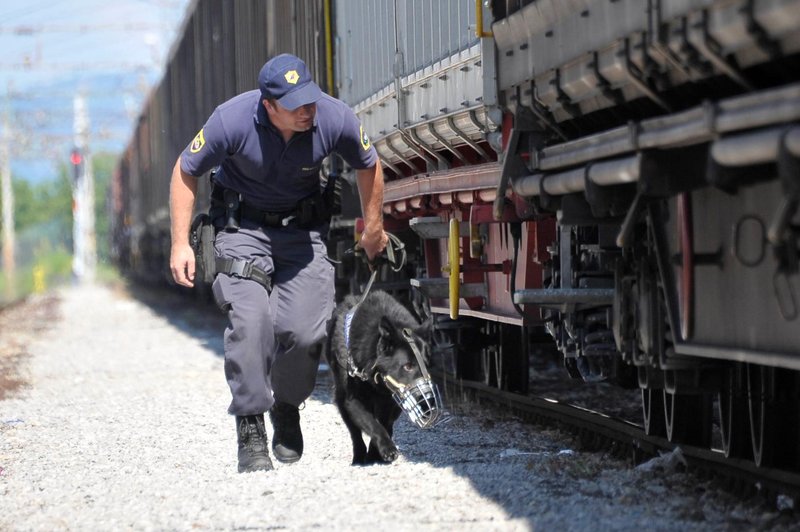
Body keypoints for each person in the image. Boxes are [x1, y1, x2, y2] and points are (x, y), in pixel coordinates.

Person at [169, 53, 388, 473]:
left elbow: (368, 162)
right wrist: (180, 242)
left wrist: (373, 228)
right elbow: (185, 169)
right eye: (296, 105)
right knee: (251, 322)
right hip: (241, 232)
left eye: (310, 99)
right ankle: (250, 428)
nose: (308, 110)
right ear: (269, 107)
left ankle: (285, 405)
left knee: (307, 333)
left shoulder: (332, 117)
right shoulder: (230, 120)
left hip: (302, 236)